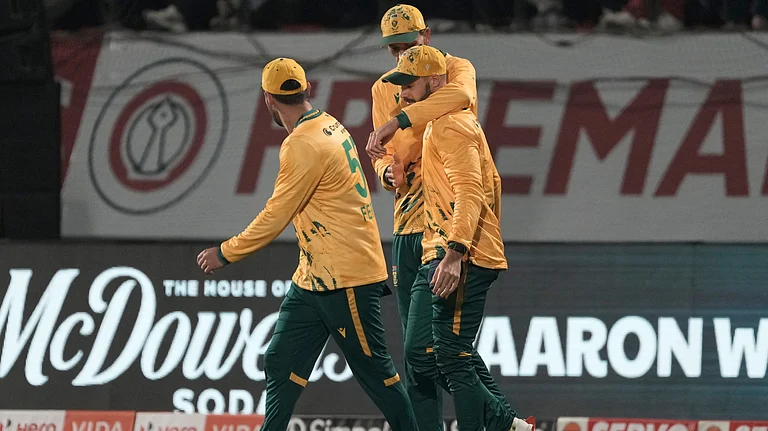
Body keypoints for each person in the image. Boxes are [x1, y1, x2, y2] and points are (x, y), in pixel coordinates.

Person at [196, 57, 418, 431]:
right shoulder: (327, 122)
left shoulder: (302, 144)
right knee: (280, 360)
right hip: (316, 275)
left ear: (267, 98)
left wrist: (225, 252)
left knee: (376, 375)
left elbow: (275, 215)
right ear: (307, 90)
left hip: (345, 276)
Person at [366, 4, 527, 431]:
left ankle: (504, 423)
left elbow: (459, 99)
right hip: (408, 222)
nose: (400, 57)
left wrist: (400, 120)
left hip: (448, 224)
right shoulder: (387, 85)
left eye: (407, 46)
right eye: (393, 50)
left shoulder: (455, 71)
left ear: (427, 35)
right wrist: (386, 171)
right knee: (425, 353)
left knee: (438, 349)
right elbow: (383, 157)